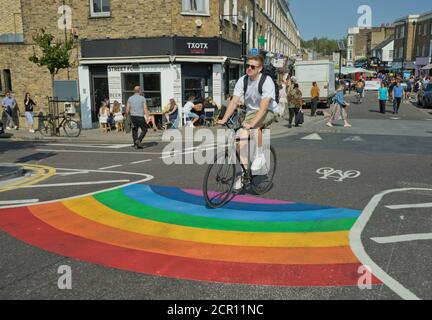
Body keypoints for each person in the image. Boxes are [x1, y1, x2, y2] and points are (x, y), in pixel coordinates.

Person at [217, 55, 278, 190]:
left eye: (253, 66)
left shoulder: (266, 81)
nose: (249, 68)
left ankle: (260, 155)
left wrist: (251, 124)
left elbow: (263, 108)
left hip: (268, 111)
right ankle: (245, 175)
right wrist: (224, 119)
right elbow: (233, 101)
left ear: (260, 68)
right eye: (248, 66)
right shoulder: (242, 80)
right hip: (251, 113)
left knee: (255, 127)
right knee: (240, 143)